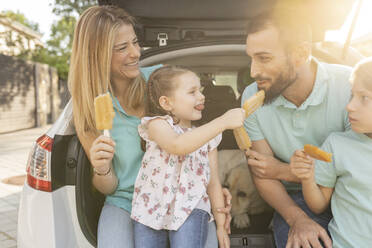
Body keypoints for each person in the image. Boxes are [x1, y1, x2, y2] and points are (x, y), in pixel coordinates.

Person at [68, 6, 232, 248]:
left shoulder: (158, 82)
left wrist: (212, 190)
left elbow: (193, 142)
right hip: (126, 201)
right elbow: (109, 186)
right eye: (122, 48)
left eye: (135, 42)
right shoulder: (88, 109)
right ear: (97, 55)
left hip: (182, 196)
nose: (136, 53)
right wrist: (101, 168)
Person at [241, 9, 353, 248]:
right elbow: (262, 172)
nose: (252, 72)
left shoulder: (349, 86)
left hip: (351, 193)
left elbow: (354, 168)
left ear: (300, 53)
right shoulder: (251, 98)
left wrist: (283, 170)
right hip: (296, 200)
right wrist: (298, 220)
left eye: (264, 58)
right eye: (251, 57)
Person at [131, 66, 244, 248]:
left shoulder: (209, 137)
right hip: (151, 208)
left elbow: (213, 183)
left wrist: (221, 225)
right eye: (192, 92)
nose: (201, 96)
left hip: (191, 208)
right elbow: (178, 145)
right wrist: (222, 122)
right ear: (167, 103)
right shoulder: (157, 125)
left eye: (200, 90)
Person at [290, 57, 372, 248]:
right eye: (351, 96)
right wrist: (308, 177)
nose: (349, 106)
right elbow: (318, 205)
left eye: (364, 98)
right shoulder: (337, 144)